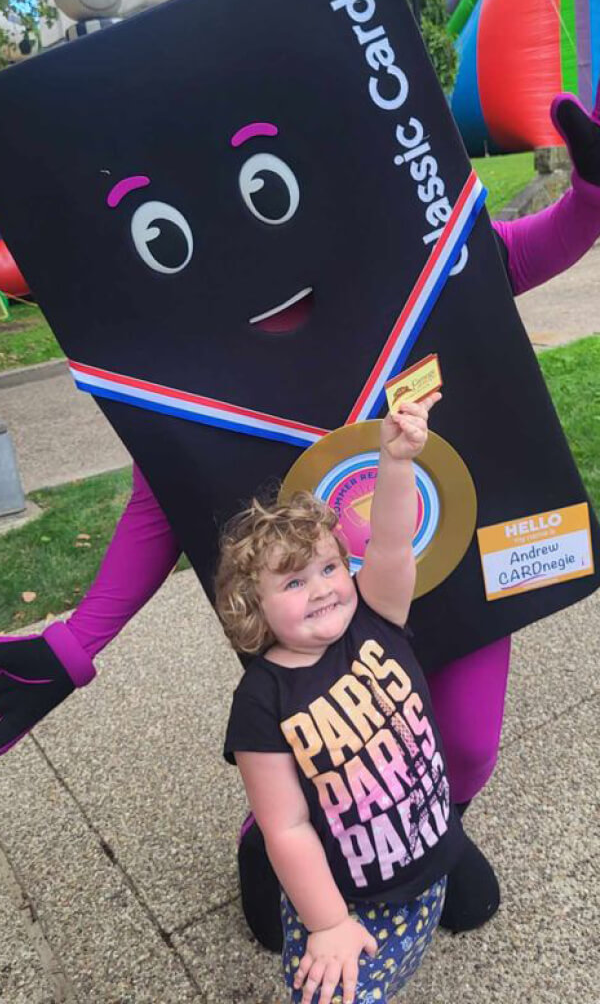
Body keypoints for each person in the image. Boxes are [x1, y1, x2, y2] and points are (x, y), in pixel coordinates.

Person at [1, 89, 600, 940]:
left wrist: (591, 192)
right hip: (315, 608)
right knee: (320, 749)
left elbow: (531, 250)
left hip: (444, 558)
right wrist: (74, 642)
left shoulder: (409, 257)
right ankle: (278, 843)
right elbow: (158, 503)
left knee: (464, 741)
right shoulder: (190, 346)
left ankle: (427, 829)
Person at [220, 392, 452, 1004]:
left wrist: (397, 462)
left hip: (430, 864)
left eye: (328, 568)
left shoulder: (375, 616)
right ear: (253, 607)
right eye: (294, 581)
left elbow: (392, 546)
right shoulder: (261, 701)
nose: (322, 588)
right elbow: (287, 826)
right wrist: (326, 923)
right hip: (348, 907)